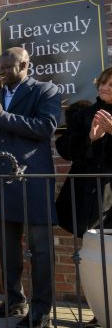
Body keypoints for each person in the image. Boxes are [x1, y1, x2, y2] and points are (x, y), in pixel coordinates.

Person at [0, 47, 61, 328]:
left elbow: (45, 127)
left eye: (7, 68)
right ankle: (14, 300)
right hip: (1, 181)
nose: (1, 72)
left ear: (24, 65)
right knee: (8, 247)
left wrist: (1, 116)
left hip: (31, 180)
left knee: (40, 249)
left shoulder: (45, 90)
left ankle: (41, 310)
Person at [56, 67, 112, 237]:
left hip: (109, 192)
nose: (105, 87)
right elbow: (64, 148)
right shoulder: (83, 114)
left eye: (111, 84)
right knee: (91, 247)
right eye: (103, 82)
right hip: (85, 192)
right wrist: (90, 138)